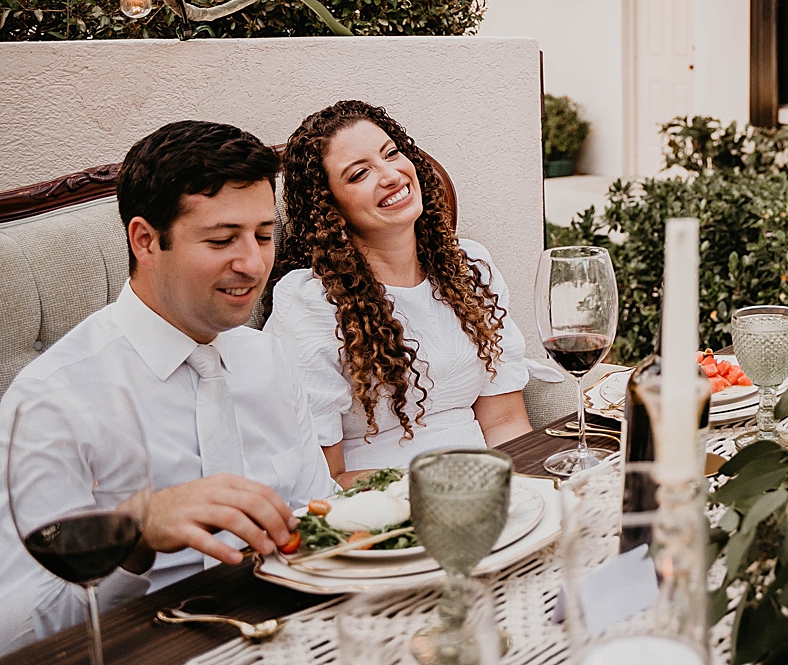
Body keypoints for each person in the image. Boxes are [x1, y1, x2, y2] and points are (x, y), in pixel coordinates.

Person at [0, 122, 335, 651]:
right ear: (145, 240)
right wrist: (131, 534)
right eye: (222, 239)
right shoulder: (53, 397)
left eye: (265, 235)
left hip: (291, 630)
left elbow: (320, 513)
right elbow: (14, 630)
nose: (253, 263)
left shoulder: (267, 355)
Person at [267, 101, 535, 487]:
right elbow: (324, 477)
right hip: (383, 510)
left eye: (391, 153)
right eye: (359, 174)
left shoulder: (469, 267)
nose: (391, 175)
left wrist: (529, 492)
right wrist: (445, 487)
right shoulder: (311, 307)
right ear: (331, 209)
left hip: (488, 491)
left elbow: (504, 422)